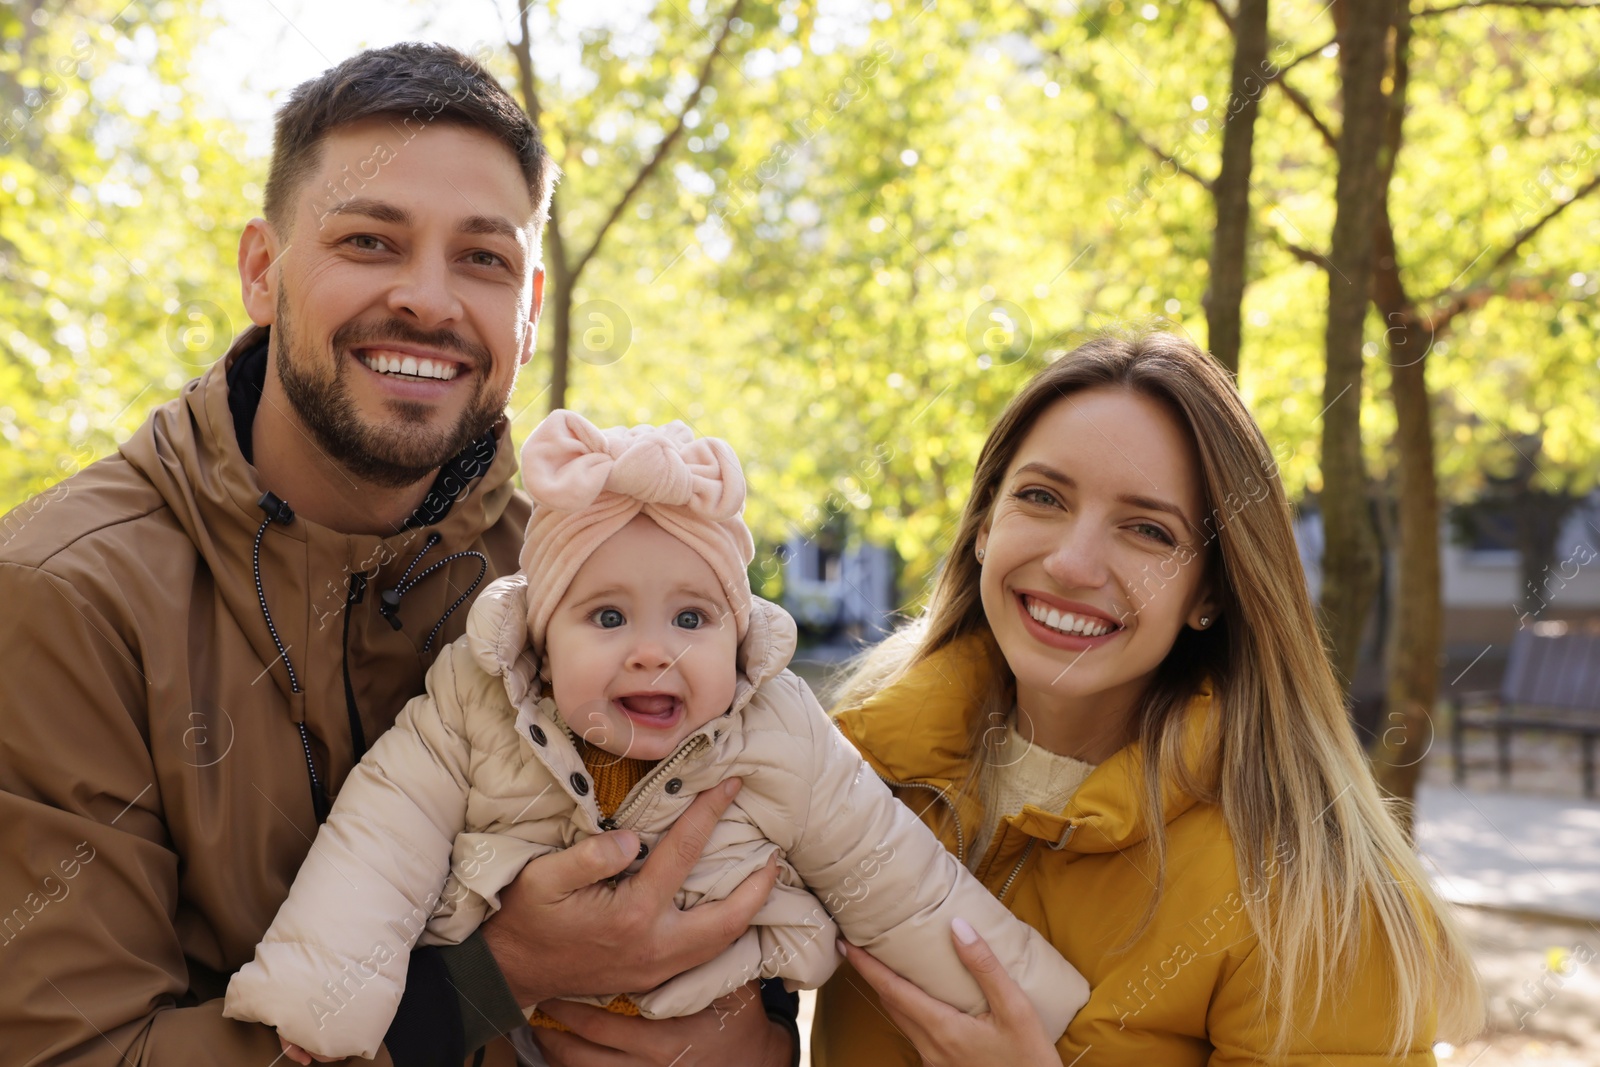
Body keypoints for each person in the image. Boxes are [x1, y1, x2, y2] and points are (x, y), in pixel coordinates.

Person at [0, 44, 797, 1066]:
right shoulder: (60, 598)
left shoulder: (596, 572)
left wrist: (757, 1034)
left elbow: (765, 879)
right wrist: (488, 982)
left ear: (530, 305)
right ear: (261, 269)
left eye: (482, 257)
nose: (428, 299)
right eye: (370, 241)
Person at [221, 410, 1087, 1064]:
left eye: (691, 616)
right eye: (606, 615)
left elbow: (898, 876)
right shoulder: (476, 707)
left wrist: (1023, 999)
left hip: (710, 1026)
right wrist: (319, 1002)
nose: (653, 652)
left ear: (736, 631)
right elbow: (382, 839)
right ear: (542, 642)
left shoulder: (777, 729)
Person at [811, 331, 1485, 1066]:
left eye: (1147, 530)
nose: (1071, 563)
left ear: (1211, 592)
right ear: (981, 525)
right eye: (1041, 496)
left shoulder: (1307, 890)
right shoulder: (853, 775)